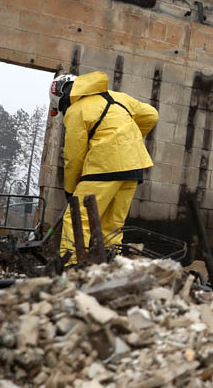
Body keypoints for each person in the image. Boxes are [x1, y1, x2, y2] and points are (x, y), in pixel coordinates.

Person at [49, 71, 158, 263]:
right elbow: (151, 115)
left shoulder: (76, 110)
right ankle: (110, 264)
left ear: (62, 97)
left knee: (77, 217)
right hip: (133, 167)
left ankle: (72, 265)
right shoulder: (119, 97)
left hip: (103, 166)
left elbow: (74, 157)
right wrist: (127, 139)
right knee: (112, 223)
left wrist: (70, 189)